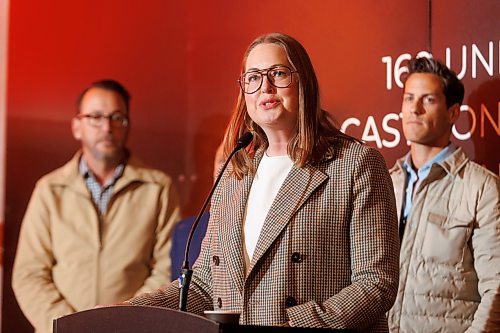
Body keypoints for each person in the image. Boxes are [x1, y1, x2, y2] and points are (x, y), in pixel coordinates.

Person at [127, 33, 399, 331]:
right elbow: (204, 282)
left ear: (304, 83)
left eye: (278, 74)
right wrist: (127, 311)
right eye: (253, 77)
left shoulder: (355, 164)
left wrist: (296, 325)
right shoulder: (234, 175)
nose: (265, 87)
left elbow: (376, 283)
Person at [12, 79, 180, 333]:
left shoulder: (158, 188)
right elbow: (29, 274)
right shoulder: (49, 189)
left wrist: (125, 320)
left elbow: (166, 268)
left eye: (116, 117)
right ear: (77, 126)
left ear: (127, 126)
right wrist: (68, 327)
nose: (107, 127)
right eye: (95, 117)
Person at [387, 57, 500, 332]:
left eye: (428, 100)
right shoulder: (386, 183)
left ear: (452, 113)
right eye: (408, 98)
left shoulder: (481, 187)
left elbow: (496, 289)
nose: (414, 109)